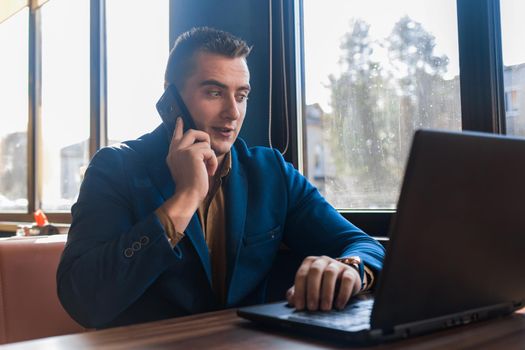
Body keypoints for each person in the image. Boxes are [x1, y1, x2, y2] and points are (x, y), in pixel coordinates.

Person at [57, 27, 385, 329]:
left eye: (241, 95)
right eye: (214, 93)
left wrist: (350, 266)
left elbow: (363, 244)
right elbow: (83, 299)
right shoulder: (115, 168)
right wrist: (184, 198)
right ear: (171, 98)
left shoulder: (270, 171)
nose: (233, 112)